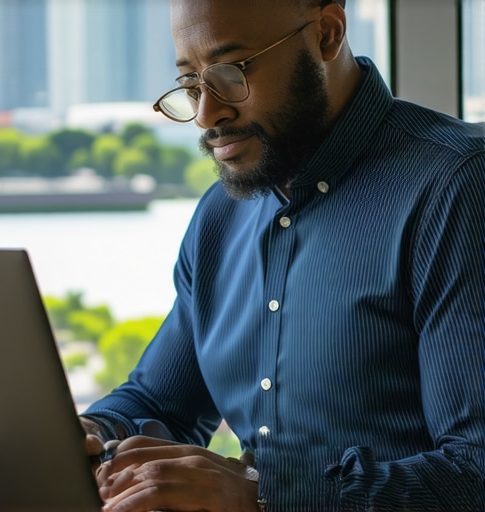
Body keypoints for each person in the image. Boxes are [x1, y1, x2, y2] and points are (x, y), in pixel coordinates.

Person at [80, 0, 485, 510]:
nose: (207, 112)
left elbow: (476, 471)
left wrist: (263, 494)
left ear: (327, 33)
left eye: (233, 71)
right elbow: (159, 402)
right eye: (189, 81)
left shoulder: (460, 187)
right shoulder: (220, 216)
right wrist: (86, 431)